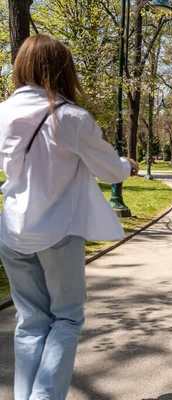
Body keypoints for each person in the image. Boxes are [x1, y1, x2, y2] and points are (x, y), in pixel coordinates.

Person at [0, 35, 138, 400]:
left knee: (30, 322)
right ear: (64, 69)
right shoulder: (72, 118)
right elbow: (111, 171)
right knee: (67, 318)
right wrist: (129, 166)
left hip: (13, 232)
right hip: (58, 232)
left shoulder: (3, 112)